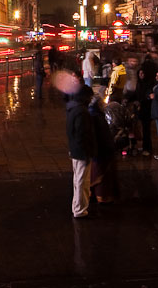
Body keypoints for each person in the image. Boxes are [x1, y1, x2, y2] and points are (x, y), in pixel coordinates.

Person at [66, 84, 96, 218]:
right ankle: (80, 209)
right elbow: (83, 134)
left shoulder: (72, 109)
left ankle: (77, 206)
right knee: (82, 181)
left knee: (78, 179)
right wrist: (87, 151)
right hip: (81, 152)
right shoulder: (82, 112)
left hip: (75, 150)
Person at [89, 94, 119, 203]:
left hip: (102, 151)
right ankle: (101, 197)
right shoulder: (96, 117)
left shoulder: (97, 115)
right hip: (102, 151)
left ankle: (101, 196)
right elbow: (101, 135)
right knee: (102, 177)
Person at [134, 68, 153, 157]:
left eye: (143, 73)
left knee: (146, 130)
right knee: (142, 129)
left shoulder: (148, 84)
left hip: (146, 110)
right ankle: (144, 146)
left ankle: (147, 148)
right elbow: (136, 94)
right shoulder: (139, 83)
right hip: (140, 110)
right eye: (140, 73)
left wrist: (141, 102)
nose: (141, 75)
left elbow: (148, 96)